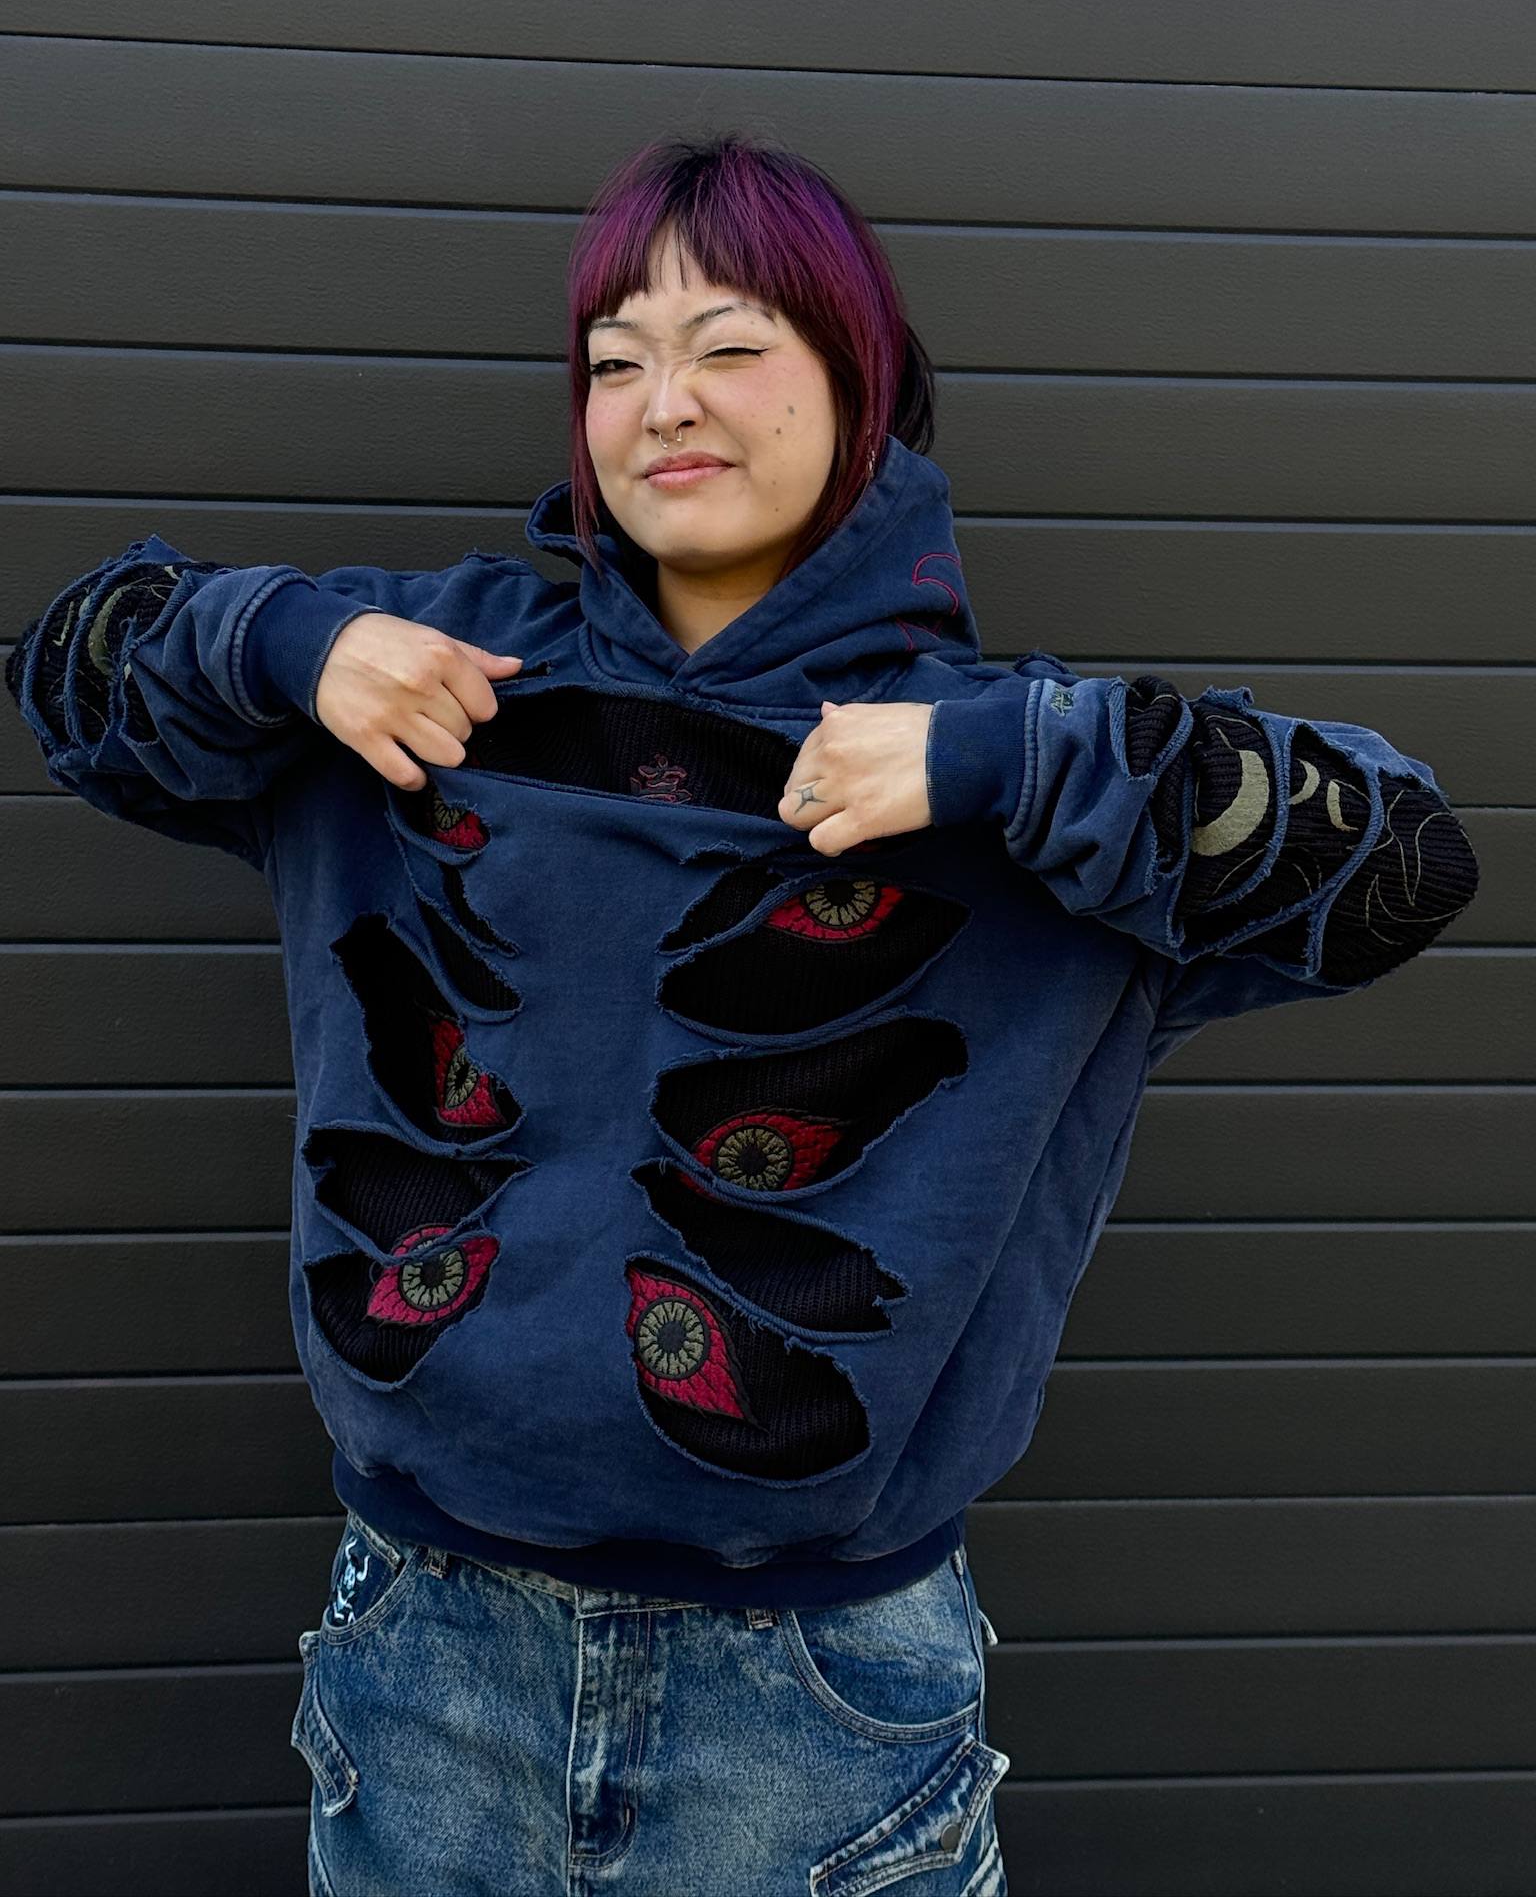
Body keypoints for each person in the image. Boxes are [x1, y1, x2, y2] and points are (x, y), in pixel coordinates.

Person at [6, 132, 1479, 1896]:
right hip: (420, 1654)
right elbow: (73, 672)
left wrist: (1004, 761)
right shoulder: (420, 684)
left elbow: (1398, 862)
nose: (664, 403)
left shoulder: (1033, 788)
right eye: (615, 359)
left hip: (815, 1705)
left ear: (858, 377)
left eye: (728, 345)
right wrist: (280, 644)